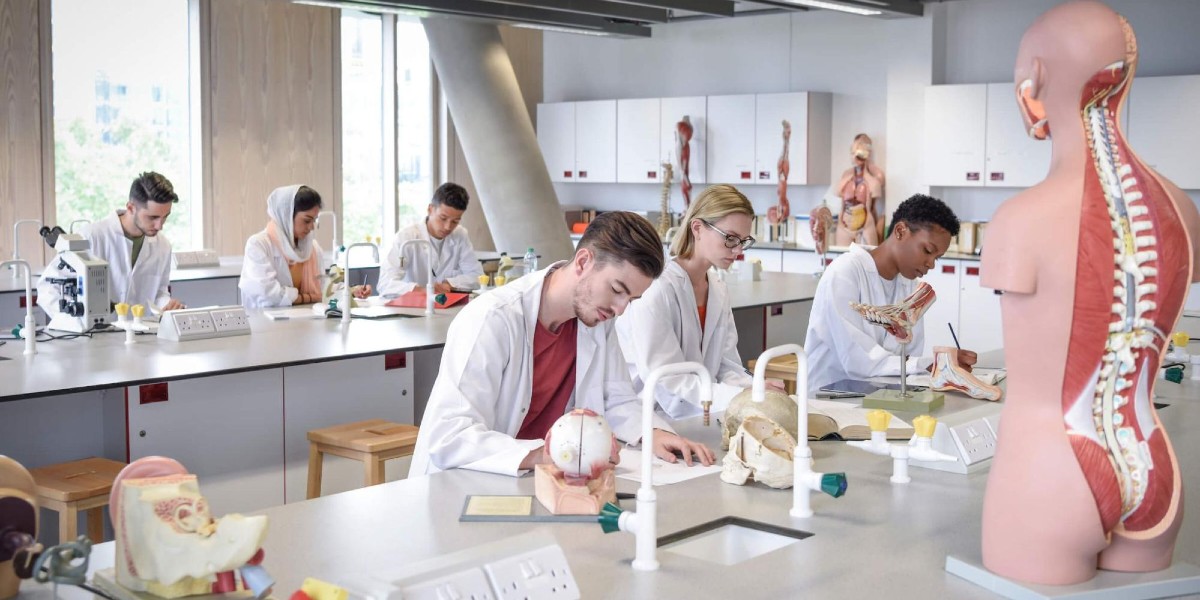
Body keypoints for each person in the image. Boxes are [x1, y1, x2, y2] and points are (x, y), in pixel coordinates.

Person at [409, 211, 715, 477]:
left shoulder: (598, 319)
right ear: (583, 262)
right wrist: (546, 454)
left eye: (631, 299)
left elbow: (617, 399)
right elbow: (450, 433)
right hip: (470, 480)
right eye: (617, 289)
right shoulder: (493, 318)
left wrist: (653, 433)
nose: (621, 309)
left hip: (546, 478)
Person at [617, 184, 785, 420]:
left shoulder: (717, 288)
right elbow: (668, 382)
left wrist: (755, 387)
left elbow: (726, 366)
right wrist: (743, 395)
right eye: (730, 238)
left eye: (743, 241)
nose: (737, 250)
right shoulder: (656, 289)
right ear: (697, 228)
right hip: (649, 418)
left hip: (699, 412)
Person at [804, 193, 976, 396]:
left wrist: (942, 364)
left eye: (937, 258)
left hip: (881, 396)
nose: (931, 264)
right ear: (901, 231)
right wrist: (927, 364)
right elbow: (858, 360)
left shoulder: (910, 285)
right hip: (828, 401)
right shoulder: (844, 272)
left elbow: (909, 354)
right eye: (928, 251)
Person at [37, 172, 186, 316]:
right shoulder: (91, 237)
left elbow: (159, 292)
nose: (159, 226)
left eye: (165, 217)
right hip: (94, 336)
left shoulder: (163, 246)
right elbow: (47, 289)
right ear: (131, 208)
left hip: (140, 336)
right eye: (152, 217)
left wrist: (167, 305)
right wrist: (77, 321)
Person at [239, 185, 370, 308]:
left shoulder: (313, 248)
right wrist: (308, 298)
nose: (312, 227)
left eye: (314, 220)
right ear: (287, 216)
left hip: (303, 321)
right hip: (266, 324)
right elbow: (267, 293)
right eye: (307, 220)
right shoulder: (258, 244)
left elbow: (322, 287)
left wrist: (351, 290)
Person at [377, 182, 484, 297]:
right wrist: (422, 290)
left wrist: (450, 283)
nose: (448, 227)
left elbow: (478, 277)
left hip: (447, 306)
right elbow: (385, 284)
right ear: (430, 209)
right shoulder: (407, 238)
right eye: (443, 218)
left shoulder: (460, 235)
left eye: (455, 221)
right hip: (412, 307)